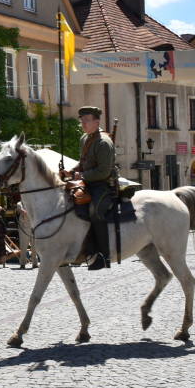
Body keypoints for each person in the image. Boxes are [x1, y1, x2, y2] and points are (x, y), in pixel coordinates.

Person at [62, 106, 116, 270]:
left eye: (86, 120)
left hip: (103, 183)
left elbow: (103, 171)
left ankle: (103, 256)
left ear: (97, 121)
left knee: (95, 211)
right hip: (87, 183)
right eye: (82, 120)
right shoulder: (85, 139)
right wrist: (70, 172)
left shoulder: (103, 142)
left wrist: (82, 176)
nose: (83, 123)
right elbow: (83, 163)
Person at [15, 199, 37, 269]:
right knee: (23, 246)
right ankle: (22, 263)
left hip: (33, 226)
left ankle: (35, 263)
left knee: (35, 246)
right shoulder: (20, 203)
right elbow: (23, 212)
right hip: (24, 226)